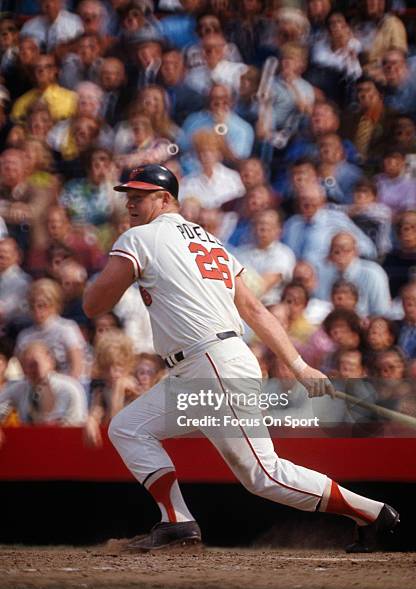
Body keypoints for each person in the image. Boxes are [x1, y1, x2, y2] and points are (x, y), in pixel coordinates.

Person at [83, 163, 399, 553]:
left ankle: (374, 513)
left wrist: (107, 272)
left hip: (212, 362)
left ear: (165, 199)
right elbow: (255, 309)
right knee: (128, 427)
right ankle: (177, 522)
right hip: (208, 362)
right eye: (128, 196)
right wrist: (298, 365)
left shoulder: (140, 238)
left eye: (139, 196)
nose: (129, 203)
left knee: (263, 474)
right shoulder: (210, 240)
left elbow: (95, 304)